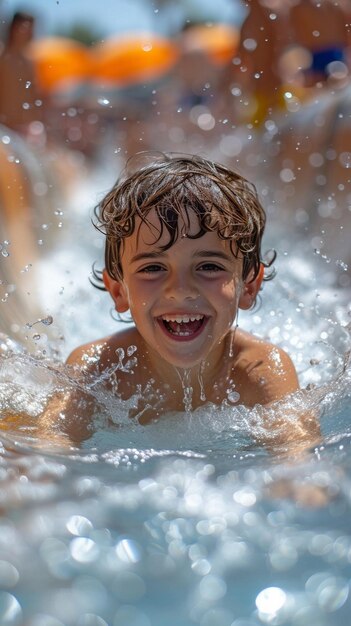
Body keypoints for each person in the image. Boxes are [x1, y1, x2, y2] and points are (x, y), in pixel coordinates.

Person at [41, 152, 320, 447]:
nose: (181, 290)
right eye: (153, 268)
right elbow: (49, 446)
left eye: (209, 267)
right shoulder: (97, 371)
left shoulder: (260, 371)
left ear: (248, 286)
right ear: (119, 291)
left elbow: (298, 459)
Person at [0, 11, 43, 138]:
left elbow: (32, 97)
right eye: (25, 28)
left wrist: (35, 121)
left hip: (23, 130)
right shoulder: (2, 57)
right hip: (3, 127)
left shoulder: (29, 62)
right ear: (13, 28)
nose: (29, 32)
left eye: (32, 28)